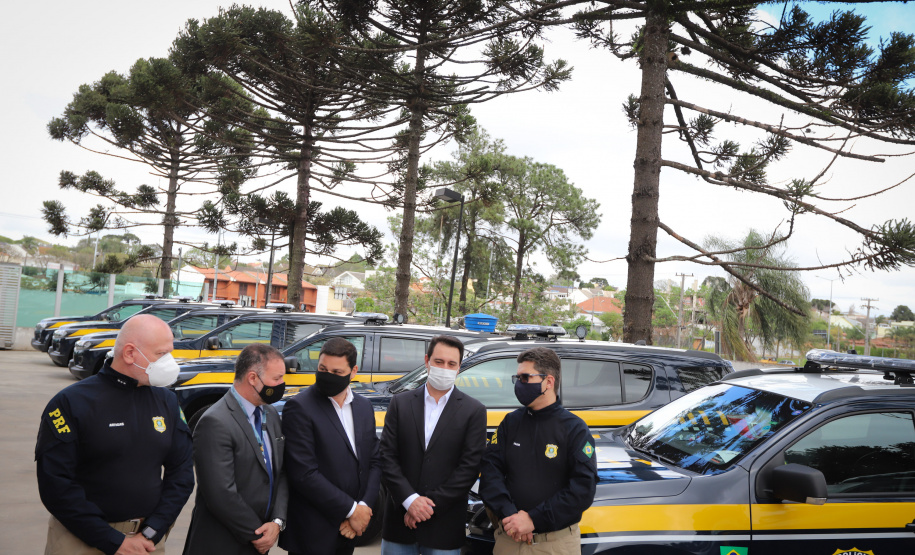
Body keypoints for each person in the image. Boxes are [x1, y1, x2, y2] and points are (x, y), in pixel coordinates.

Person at [36, 314, 194, 555]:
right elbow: (55, 483)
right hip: (81, 540)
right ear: (130, 354)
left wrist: (153, 529)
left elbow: (182, 473)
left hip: (146, 541)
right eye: (161, 354)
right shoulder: (71, 403)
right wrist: (112, 540)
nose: (170, 362)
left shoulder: (167, 401)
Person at [479, 347, 597, 555]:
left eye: (526, 377)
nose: (519, 384)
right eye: (517, 377)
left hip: (554, 545)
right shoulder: (510, 422)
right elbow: (490, 472)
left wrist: (533, 519)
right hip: (510, 539)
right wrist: (512, 517)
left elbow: (582, 490)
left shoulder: (575, 429)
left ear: (549, 382)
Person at [379, 335, 487, 555]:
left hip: (444, 527)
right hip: (399, 523)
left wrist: (425, 507)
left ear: (458, 368)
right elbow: (387, 457)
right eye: (439, 362)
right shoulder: (400, 403)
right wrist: (410, 502)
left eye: (451, 364)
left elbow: (469, 468)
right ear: (427, 360)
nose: (445, 368)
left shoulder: (473, 411)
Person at [182, 343, 289, 555]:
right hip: (221, 543)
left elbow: (282, 472)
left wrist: (277, 522)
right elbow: (220, 494)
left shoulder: (270, 414)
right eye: (277, 379)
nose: (282, 384)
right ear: (252, 378)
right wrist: (258, 534)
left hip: (260, 541)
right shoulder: (215, 422)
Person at [279, 337, 381, 555]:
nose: (327, 377)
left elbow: (373, 461)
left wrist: (363, 508)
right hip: (313, 533)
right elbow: (304, 474)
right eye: (323, 369)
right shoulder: (299, 407)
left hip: (350, 530)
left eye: (336, 373)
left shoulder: (364, 407)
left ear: (353, 372)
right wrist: (352, 510)